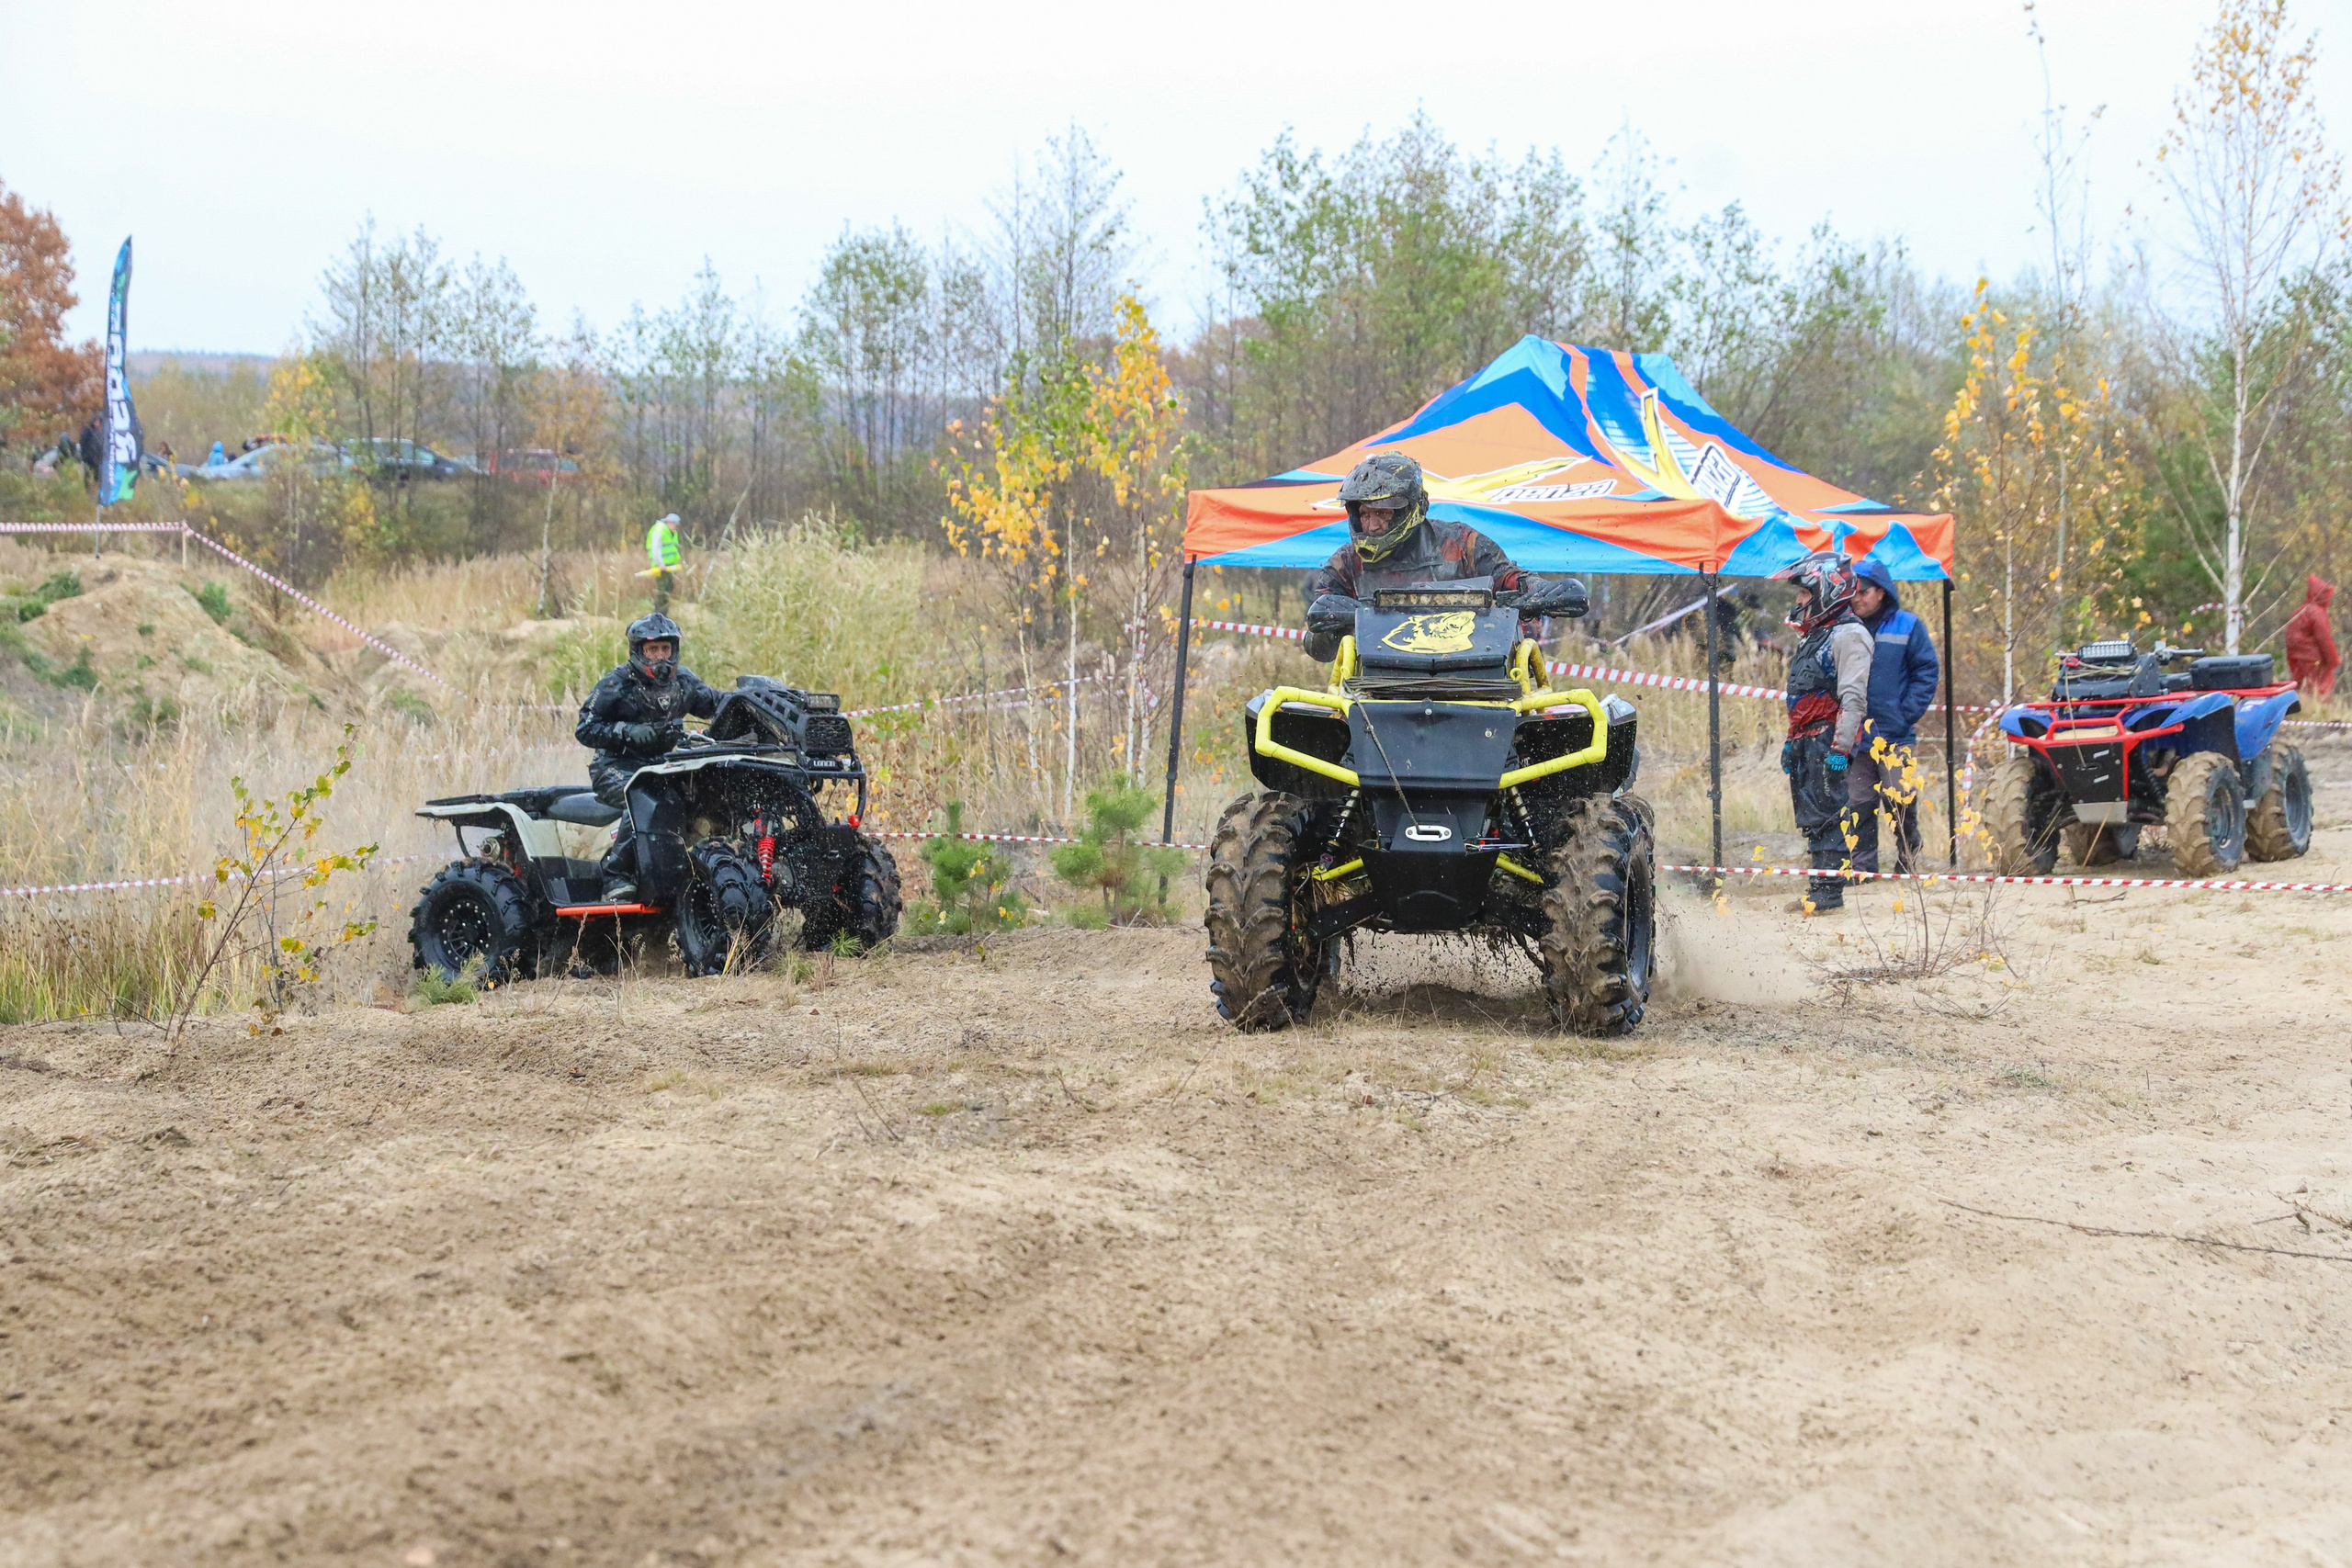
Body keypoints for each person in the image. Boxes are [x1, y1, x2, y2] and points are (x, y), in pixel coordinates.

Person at [1302, 453, 1531, 662]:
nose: (1371, 526)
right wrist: (1332, 624)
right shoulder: (1346, 563)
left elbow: (1512, 579)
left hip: (1472, 677)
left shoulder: (1461, 544)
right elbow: (1318, 649)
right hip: (1377, 685)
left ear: (1409, 509)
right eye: (1364, 514)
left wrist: (1539, 590)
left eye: (1382, 513)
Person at [574, 612, 721, 901]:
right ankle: (616, 875)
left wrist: (750, 698)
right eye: (652, 650)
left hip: (664, 767)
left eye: (665, 649)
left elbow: (716, 705)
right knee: (643, 800)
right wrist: (626, 731)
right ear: (639, 651)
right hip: (614, 767)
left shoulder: (684, 681)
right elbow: (585, 728)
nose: (660, 657)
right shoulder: (617, 682)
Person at [1774, 551, 1872, 915]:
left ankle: (1829, 892)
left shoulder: (1850, 635)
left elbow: (1853, 698)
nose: (1799, 601)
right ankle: (1819, 885)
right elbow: (1802, 695)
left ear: (1827, 590)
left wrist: (1841, 748)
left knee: (1828, 810)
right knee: (1811, 814)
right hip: (1806, 735)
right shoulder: (1817, 635)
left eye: (1804, 593)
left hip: (1829, 735)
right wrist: (1790, 741)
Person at [1844, 557, 1942, 874]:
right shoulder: (1845, 627)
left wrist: (1906, 713)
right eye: (1852, 591)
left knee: (1900, 799)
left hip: (1895, 734)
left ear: (1881, 592)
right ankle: (1863, 868)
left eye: (1863, 591)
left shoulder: (1909, 625)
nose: (1856, 597)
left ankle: (1908, 857)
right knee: (1858, 803)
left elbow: (1927, 671)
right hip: (1855, 737)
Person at [2283, 575, 2339, 700]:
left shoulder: (2299, 611)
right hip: (2314, 660)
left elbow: (2290, 639)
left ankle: (2300, 710)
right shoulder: (2317, 613)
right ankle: (2318, 713)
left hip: (2298, 659)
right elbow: (2324, 640)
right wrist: (2333, 659)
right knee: (2318, 690)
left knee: (2300, 688)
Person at [643, 513, 683, 613]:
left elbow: (673, 548)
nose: (676, 528)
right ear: (669, 522)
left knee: (669, 588)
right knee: (662, 591)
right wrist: (661, 564)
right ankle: (659, 613)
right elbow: (656, 549)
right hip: (661, 567)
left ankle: (664, 612)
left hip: (669, 567)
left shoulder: (671, 533)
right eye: (675, 525)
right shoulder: (659, 530)